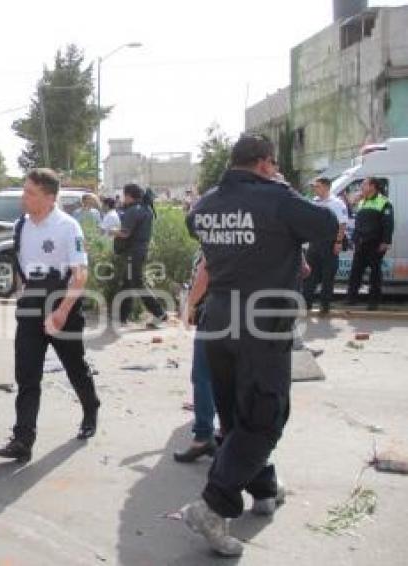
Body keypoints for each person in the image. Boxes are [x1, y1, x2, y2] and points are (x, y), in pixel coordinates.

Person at [181, 134, 337, 557]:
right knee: (266, 418)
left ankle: (264, 487)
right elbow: (327, 227)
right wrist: (282, 188)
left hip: (217, 323)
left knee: (235, 418)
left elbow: (193, 225)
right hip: (260, 325)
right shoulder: (277, 199)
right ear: (267, 163)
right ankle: (214, 506)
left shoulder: (207, 204)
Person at [0, 168, 101, 462]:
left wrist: (62, 311)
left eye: (30, 192)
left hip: (61, 302)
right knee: (27, 375)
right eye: (25, 190)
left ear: (50, 198)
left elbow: (80, 274)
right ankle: (23, 440)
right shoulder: (21, 225)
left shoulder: (67, 227)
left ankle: (91, 408)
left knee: (74, 366)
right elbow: (22, 264)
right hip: (30, 306)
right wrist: (20, 291)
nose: (24, 197)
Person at [174, 253, 217, 463]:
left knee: (203, 376)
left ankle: (203, 437)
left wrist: (189, 305)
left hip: (217, 313)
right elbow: (304, 269)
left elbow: (204, 272)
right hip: (250, 314)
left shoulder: (218, 231)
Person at [112, 183, 168, 328]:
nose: (124, 199)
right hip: (140, 251)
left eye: (125, 196)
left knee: (136, 283)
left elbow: (125, 233)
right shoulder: (146, 208)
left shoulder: (134, 210)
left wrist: (112, 231)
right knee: (127, 283)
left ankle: (160, 313)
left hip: (133, 252)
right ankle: (121, 317)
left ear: (129, 196)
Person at [301, 177, 347, 315]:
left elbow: (342, 224)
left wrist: (338, 242)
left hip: (329, 243)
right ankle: (306, 304)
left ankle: (324, 306)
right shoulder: (314, 202)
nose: (315, 189)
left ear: (327, 187)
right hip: (315, 243)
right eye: (314, 186)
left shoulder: (337, 203)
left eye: (317, 186)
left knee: (328, 276)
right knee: (309, 275)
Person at [346, 177, 393, 311]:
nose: (361, 187)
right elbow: (357, 222)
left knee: (375, 274)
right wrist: (355, 239)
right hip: (361, 243)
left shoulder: (383, 202)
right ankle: (351, 299)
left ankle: (373, 302)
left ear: (372, 186)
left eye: (364, 184)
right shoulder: (362, 202)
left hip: (375, 244)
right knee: (356, 272)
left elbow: (388, 224)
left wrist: (385, 241)